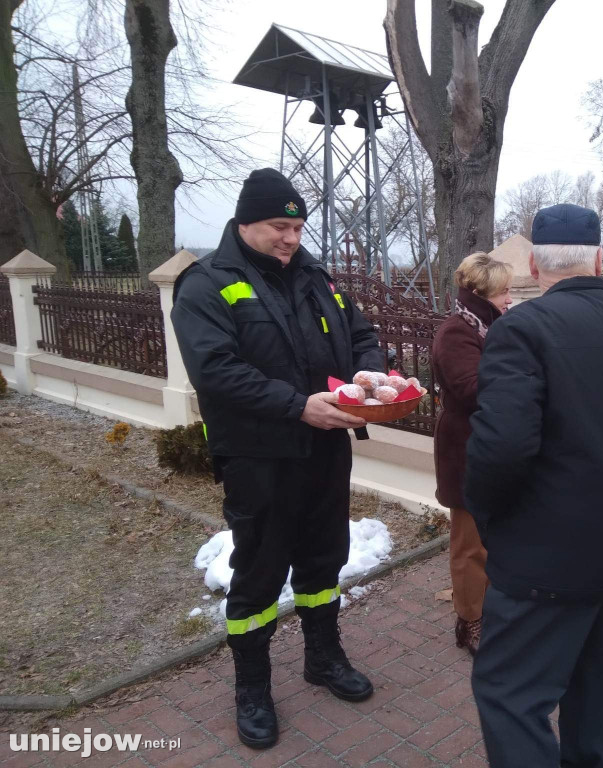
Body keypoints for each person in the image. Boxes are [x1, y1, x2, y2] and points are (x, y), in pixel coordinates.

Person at [171, 169, 384, 749]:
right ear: (245, 223)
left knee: (323, 559)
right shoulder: (207, 284)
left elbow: (362, 334)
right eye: (277, 226)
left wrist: (368, 370)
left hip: (323, 448)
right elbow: (215, 370)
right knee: (260, 572)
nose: (290, 238)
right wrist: (297, 406)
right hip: (257, 456)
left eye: (297, 226)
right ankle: (253, 688)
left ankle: (323, 658)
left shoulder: (319, 279)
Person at [465, 203, 603, 768]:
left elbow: (502, 448)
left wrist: (490, 517)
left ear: (534, 265)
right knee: (595, 690)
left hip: (543, 556)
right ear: (601, 260)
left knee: (511, 696)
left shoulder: (520, 330)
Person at [430, 252, 513, 656]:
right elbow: (472, 389)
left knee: (496, 540)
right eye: (504, 292)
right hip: (464, 451)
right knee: (470, 544)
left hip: (493, 448)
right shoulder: (456, 333)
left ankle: (494, 612)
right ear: (482, 293)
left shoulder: (492, 326)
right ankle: (471, 621)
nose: (510, 299)